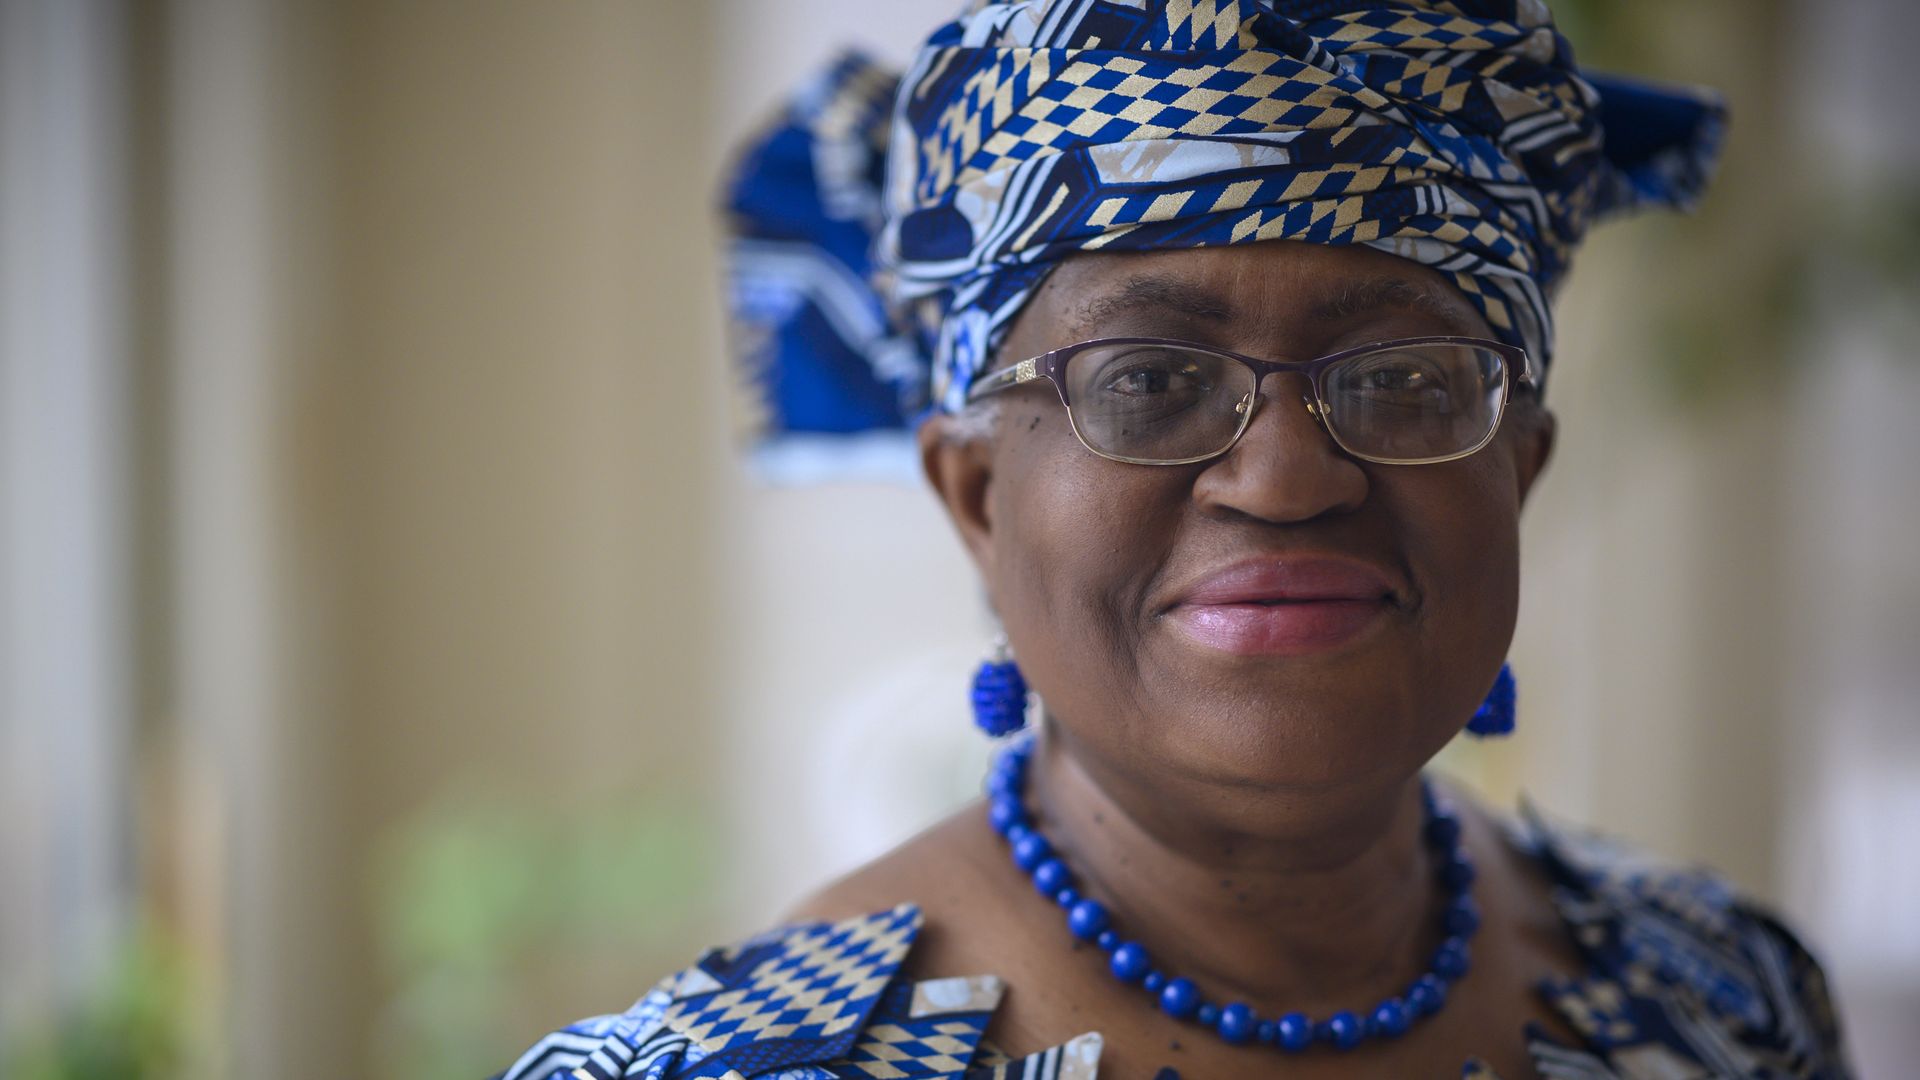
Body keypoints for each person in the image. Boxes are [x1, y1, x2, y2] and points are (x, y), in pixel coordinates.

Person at [497, 2, 1851, 1077]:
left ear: (1520, 469)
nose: (1286, 477)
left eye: (1399, 378)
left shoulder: (1726, 1003)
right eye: (1145, 378)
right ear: (974, 498)